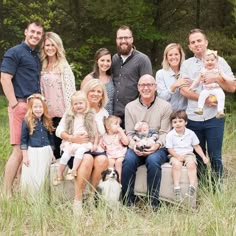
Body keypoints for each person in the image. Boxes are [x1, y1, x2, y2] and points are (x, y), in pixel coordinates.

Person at [180, 28, 236, 188]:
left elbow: (232, 87)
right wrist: (203, 100)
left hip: (214, 117)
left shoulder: (220, 61)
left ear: (206, 42)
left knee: (215, 155)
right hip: (193, 117)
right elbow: (184, 90)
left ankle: (218, 188)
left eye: (199, 41)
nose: (196, 44)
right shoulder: (187, 65)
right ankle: (203, 188)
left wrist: (217, 78)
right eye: (193, 42)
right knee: (198, 155)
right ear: (190, 46)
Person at [0, 20, 44, 197]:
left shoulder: (35, 55)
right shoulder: (15, 52)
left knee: (27, 150)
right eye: (32, 32)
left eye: (38, 33)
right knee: (18, 150)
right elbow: (4, 78)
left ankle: (18, 189)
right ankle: (5, 192)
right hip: (20, 105)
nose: (35, 35)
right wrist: (14, 104)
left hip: (34, 108)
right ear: (26, 32)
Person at [56, 79, 109, 215]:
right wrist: (72, 138)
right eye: (92, 90)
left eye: (99, 91)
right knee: (87, 159)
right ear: (86, 92)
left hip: (94, 147)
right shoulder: (74, 109)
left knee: (102, 161)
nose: (95, 94)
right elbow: (59, 130)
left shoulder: (104, 113)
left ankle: (91, 197)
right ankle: (78, 201)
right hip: (74, 147)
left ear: (102, 95)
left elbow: (105, 133)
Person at [122, 74, 172, 209]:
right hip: (137, 144)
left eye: (149, 84)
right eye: (142, 85)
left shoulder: (165, 106)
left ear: (155, 87)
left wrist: (156, 146)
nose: (146, 88)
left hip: (157, 145)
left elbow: (165, 132)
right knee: (128, 161)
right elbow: (130, 133)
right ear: (138, 88)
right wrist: (134, 146)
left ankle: (153, 203)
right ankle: (128, 202)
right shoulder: (130, 107)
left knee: (153, 161)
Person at [40, 32, 76, 160]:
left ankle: (61, 178)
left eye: (52, 45)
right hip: (46, 115)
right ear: (43, 47)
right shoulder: (42, 66)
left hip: (63, 115)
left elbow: (71, 93)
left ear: (57, 46)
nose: (50, 48)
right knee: (49, 151)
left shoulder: (64, 67)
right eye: (47, 45)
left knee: (62, 150)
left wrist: (70, 114)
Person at [53, 91, 99, 185]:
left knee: (80, 152)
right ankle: (59, 175)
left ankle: (72, 170)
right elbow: (59, 130)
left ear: (86, 104)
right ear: (72, 106)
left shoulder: (89, 116)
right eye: (75, 104)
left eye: (80, 103)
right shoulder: (70, 116)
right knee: (66, 155)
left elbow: (95, 133)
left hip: (85, 143)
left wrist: (94, 144)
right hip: (71, 143)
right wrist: (71, 138)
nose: (78, 106)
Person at [112, 25, 153, 127]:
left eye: (126, 37)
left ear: (132, 39)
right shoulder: (114, 59)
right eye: (120, 38)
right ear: (116, 40)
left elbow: (148, 89)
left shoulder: (143, 60)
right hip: (114, 116)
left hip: (134, 115)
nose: (123, 40)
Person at [166, 110, 209, 202]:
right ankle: (176, 188)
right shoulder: (170, 135)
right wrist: (177, 156)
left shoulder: (191, 133)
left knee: (192, 165)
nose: (178, 124)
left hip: (188, 154)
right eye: (175, 122)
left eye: (180, 121)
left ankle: (192, 186)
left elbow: (196, 146)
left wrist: (204, 157)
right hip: (175, 154)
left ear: (186, 122)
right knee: (176, 165)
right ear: (172, 124)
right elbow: (169, 149)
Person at [20, 94, 55, 197]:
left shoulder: (47, 120)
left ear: (44, 108)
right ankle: (31, 196)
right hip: (33, 151)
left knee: (43, 173)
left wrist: (52, 153)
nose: (38, 109)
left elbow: (51, 138)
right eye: (35, 107)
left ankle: (43, 196)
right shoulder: (27, 121)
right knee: (34, 174)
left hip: (45, 150)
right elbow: (23, 139)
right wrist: (25, 156)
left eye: (40, 107)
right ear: (31, 108)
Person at [189, 49, 234, 119]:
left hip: (216, 88)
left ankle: (220, 111)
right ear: (204, 62)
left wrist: (232, 79)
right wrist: (192, 86)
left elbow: (225, 76)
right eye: (207, 60)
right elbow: (197, 79)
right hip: (207, 89)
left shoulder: (218, 70)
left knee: (221, 95)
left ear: (216, 61)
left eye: (212, 60)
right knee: (202, 95)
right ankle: (200, 108)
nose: (210, 62)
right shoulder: (203, 70)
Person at [156, 43, 189, 111]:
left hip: (185, 115)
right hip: (167, 114)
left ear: (181, 55)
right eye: (170, 55)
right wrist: (174, 86)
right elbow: (162, 98)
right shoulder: (160, 74)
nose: (173, 57)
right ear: (166, 58)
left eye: (176, 54)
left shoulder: (187, 72)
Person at [81, 48, 114, 115]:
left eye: (108, 61)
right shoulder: (89, 78)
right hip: (93, 116)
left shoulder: (112, 78)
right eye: (102, 60)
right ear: (97, 61)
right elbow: (82, 99)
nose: (105, 63)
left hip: (109, 117)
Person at [101, 115, 129, 181]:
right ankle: (109, 180)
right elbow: (103, 146)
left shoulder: (119, 134)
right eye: (116, 124)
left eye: (119, 124)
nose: (118, 126)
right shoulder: (104, 136)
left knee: (118, 162)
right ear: (108, 127)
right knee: (110, 163)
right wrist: (102, 146)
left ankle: (118, 179)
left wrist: (122, 132)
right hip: (111, 155)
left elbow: (126, 142)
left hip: (120, 154)